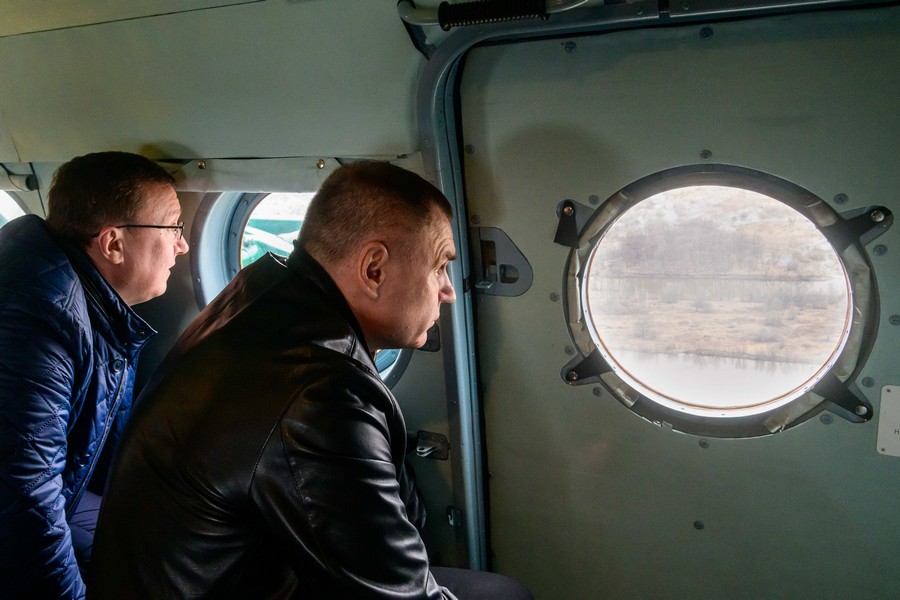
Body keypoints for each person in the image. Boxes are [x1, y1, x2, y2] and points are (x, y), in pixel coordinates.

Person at [89, 161, 532, 599]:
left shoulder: (261, 292)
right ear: (373, 270)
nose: (448, 290)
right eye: (438, 267)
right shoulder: (318, 393)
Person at [0, 151, 190, 599]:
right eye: (173, 228)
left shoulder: (92, 302)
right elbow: (24, 498)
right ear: (112, 244)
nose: (182, 246)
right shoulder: (36, 319)